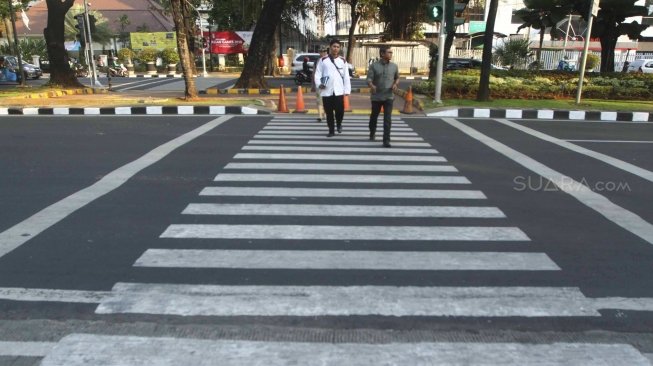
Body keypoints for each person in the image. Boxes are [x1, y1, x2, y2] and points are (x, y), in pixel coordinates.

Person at [314, 39, 351, 137]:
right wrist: (319, 84)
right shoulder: (323, 60)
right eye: (334, 46)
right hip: (326, 90)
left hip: (338, 90)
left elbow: (346, 76)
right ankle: (331, 130)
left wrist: (347, 90)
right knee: (329, 112)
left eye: (338, 47)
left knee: (340, 110)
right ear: (330, 47)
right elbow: (317, 74)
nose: (336, 49)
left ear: (340, 48)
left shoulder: (343, 60)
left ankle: (339, 124)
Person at [366, 46, 399, 148]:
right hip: (376, 96)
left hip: (389, 96)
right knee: (374, 117)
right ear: (382, 54)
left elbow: (397, 78)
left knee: (387, 119)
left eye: (391, 52)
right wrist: (372, 85)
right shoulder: (374, 66)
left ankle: (386, 140)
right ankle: (372, 132)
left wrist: (395, 84)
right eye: (389, 52)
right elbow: (369, 79)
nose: (391, 54)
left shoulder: (394, 66)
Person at [314, 47, 328, 122]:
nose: (322, 53)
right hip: (319, 83)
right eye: (321, 51)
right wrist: (314, 84)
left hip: (328, 83)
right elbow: (314, 72)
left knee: (326, 100)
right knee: (319, 100)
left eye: (324, 51)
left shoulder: (329, 60)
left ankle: (325, 114)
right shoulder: (317, 61)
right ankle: (320, 115)